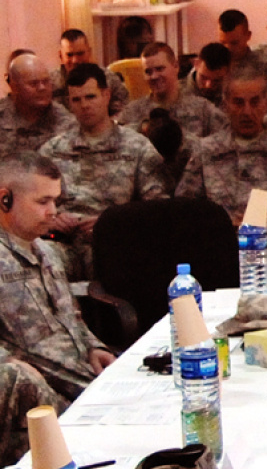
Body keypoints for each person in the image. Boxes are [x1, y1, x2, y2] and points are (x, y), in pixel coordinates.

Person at [175, 65, 267, 275]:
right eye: (238, 103)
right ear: (225, 105)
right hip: (219, 244)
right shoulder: (206, 151)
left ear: (266, 104)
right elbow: (183, 207)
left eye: (255, 102)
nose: (247, 111)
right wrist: (221, 220)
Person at [0, 153, 114, 412]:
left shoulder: (48, 253)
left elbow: (71, 316)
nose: (53, 211)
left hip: (83, 381)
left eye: (55, 200)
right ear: (5, 200)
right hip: (39, 401)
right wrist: (17, 374)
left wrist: (92, 346)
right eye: (43, 201)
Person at [39, 64, 169, 280]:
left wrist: (110, 222)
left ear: (106, 95)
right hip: (62, 244)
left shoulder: (137, 148)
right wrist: (51, 218)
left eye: (90, 97)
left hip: (116, 244)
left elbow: (158, 210)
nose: (84, 106)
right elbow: (31, 203)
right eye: (76, 100)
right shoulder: (52, 151)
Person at [117, 42, 229, 139]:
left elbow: (225, 144)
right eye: (148, 72)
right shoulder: (131, 113)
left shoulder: (203, 109)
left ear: (176, 66)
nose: (154, 76)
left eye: (160, 69)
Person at [0, 55, 76, 159]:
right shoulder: (3, 116)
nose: (42, 88)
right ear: (14, 86)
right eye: (33, 84)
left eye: (46, 81)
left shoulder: (67, 123)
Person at [217, 9, 267, 106]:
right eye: (223, 43)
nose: (228, 48)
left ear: (248, 36)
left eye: (234, 43)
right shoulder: (212, 66)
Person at [53, 29, 128, 115]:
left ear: (89, 52)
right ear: (60, 56)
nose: (75, 60)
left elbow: (124, 113)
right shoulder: (50, 84)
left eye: (80, 54)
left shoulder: (109, 79)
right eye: (69, 55)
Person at [180, 42, 231, 106]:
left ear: (228, 72)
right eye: (203, 77)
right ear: (196, 64)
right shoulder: (175, 93)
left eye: (216, 80)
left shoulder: (232, 94)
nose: (208, 85)